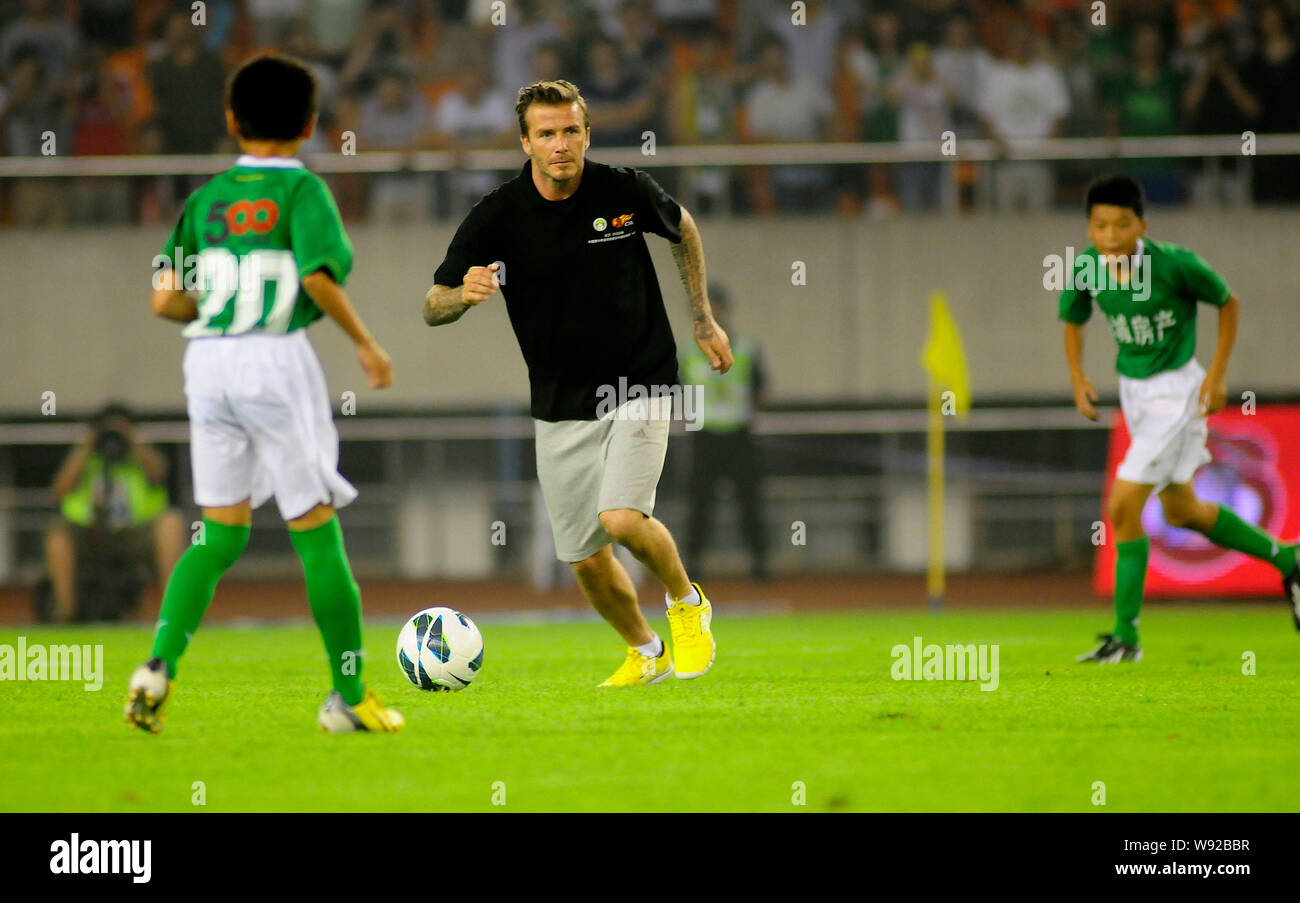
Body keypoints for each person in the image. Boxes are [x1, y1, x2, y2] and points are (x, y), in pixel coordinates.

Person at [124, 53, 403, 734]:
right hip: (274, 361)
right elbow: (316, 278)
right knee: (316, 531)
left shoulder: (204, 200)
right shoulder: (303, 193)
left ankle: (157, 666)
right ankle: (349, 696)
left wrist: (219, 308)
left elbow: (164, 300)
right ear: (310, 124)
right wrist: (367, 343)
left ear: (230, 120)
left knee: (218, 532)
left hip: (207, 365)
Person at [424, 79, 733, 687]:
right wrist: (463, 294)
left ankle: (686, 604)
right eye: (547, 134)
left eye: (571, 131)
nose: (561, 144)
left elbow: (684, 229)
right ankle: (646, 653)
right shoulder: (497, 216)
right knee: (587, 559)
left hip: (638, 382)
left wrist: (702, 316)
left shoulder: (623, 189)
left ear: (587, 134)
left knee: (620, 519)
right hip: (560, 403)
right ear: (525, 143)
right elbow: (432, 304)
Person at [1059, 174, 1300, 663]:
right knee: (1182, 511)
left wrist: (1217, 375)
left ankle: (1126, 638)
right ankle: (1288, 557)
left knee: (1123, 504)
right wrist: (1078, 376)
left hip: (1177, 392)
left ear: (1141, 225)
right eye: (1100, 225)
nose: (1110, 236)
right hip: (1135, 394)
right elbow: (1073, 318)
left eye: (1121, 225)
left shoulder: (1173, 265)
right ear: (1089, 228)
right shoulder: (1086, 267)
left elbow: (1228, 302)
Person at [44, 403, 185, 623]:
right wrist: (88, 445)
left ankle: (172, 611)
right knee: (58, 535)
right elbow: (59, 490)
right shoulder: (87, 458)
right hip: (90, 532)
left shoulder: (138, 457)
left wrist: (132, 439)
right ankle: (66, 611)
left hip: (134, 532)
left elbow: (159, 473)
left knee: (171, 523)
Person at [681, 285, 769, 582]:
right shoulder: (688, 354)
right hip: (704, 437)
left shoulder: (745, 349)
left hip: (739, 436)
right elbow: (679, 390)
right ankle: (692, 565)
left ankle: (760, 564)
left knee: (750, 502)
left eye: (716, 308)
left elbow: (760, 389)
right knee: (700, 504)